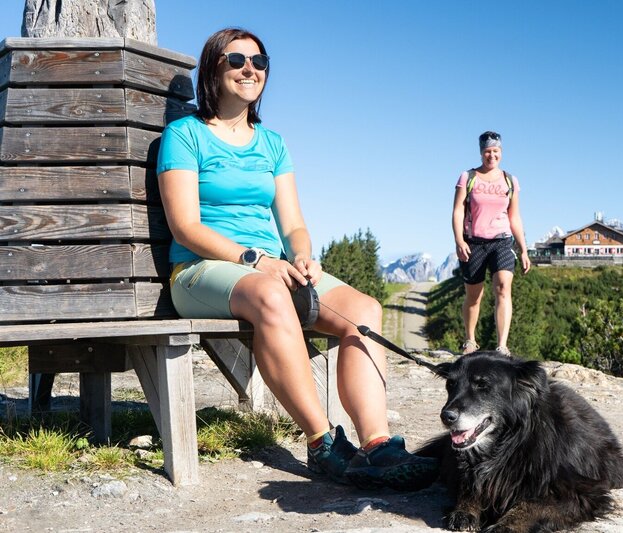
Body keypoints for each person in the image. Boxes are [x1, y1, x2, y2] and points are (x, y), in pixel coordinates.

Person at [156, 27, 437, 490]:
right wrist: (254, 259)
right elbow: (186, 226)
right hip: (200, 270)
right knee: (269, 293)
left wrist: (303, 256)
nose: (251, 69)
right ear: (213, 67)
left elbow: (293, 225)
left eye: (260, 62)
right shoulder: (185, 135)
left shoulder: (272, 144)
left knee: (364, 310)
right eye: (238, 59)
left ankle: (377, 446)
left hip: (269, 268)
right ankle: (322, 443)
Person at [451, 131, 531, 356]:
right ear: (481, 152)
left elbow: (514, 216)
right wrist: (459, 240)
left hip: (502, 242)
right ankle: (470, 340)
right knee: (474, 296)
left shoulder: (510, 180)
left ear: (501, 153)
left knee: (503, 287)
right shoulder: (468, 177)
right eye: (487, 151)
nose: (491, 155)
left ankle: (502, 346)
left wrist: (523, 249)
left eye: (495, 151)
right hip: (473, 242)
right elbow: (457, 211)